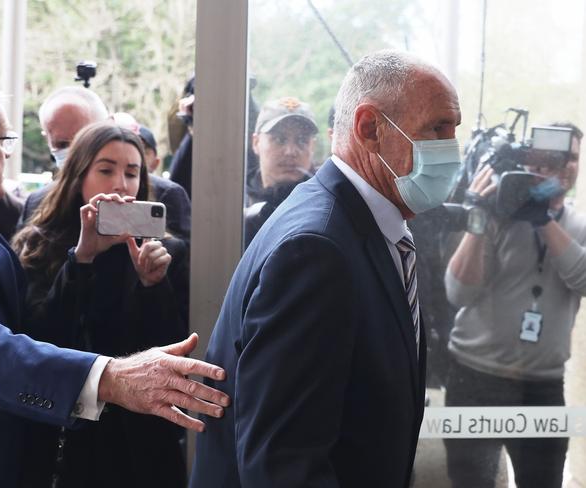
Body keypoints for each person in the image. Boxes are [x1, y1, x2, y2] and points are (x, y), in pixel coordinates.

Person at [0, 73, 228, 488]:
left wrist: (152, 285)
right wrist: (108, 378)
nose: (7, 157)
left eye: (131, 172)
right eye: (4, 144)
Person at [190, 50, 462, 487]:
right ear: (369, 128)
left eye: (454, 129)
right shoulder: (317, 250)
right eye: (437, 127)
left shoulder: (356, 226)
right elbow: (284, 463)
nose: (451, 148)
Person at [13, 121, 189, 486]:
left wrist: (152, 286)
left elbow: (175, 346)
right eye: (106, 170)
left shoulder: (163, 251)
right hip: (62, 436)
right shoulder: (40, 243)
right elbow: (36, 338)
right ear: (79, 176)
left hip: (138, 440)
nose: (120, 185)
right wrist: (82, 258)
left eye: (132, 172)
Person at [442, 124, 586, 488]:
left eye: (572, 158)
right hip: (474, 378)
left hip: (542, 386)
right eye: (553, 158)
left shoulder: (578, 225)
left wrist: (543, 220)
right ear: (531, 160)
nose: (564, 166)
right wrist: (479, 216)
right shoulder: (495, 214)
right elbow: (458, 293)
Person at [19, 86, 191, 243]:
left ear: (109, 126)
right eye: (62, 144)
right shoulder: (39, 203)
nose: (75, 153)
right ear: (47, 140)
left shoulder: (165, 196)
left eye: (85, 138)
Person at [244, 97, 318, 247]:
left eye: (302, 141)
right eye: (279, 139)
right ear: (256, 142)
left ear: (313, 147)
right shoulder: (234, 200)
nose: (290, 151)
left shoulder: (324, 202)